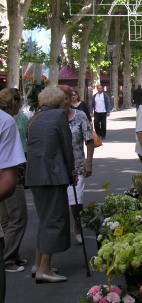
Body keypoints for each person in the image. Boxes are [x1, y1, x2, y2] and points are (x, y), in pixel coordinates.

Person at [26, 86, 76, 283]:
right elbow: (67, 147)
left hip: (35, 174)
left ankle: (38, 263)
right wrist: (72, 171)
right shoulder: (59, 117)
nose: (67, 102)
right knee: (55, 219)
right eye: (64, 99)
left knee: (45, 219)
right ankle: (44, 269)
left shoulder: (35, 118)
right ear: (57, 101)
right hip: (53, 175)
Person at [58, 85, 94, 245]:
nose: (65, 101)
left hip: (77, 164)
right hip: (57, 167)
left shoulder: (80, 116)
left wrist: (89, 163)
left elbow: (89, 140)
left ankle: (77, 225)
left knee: (76, 200)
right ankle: (60, 231)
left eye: (67, 97)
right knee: (60, 201)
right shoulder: (54, 117)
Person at [0, 89, 28, 274]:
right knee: (18, 217)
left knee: (6, 218)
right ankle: (8, 258)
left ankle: (11, 254)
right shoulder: (8, 121)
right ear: (14, 102)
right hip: (8, 173)